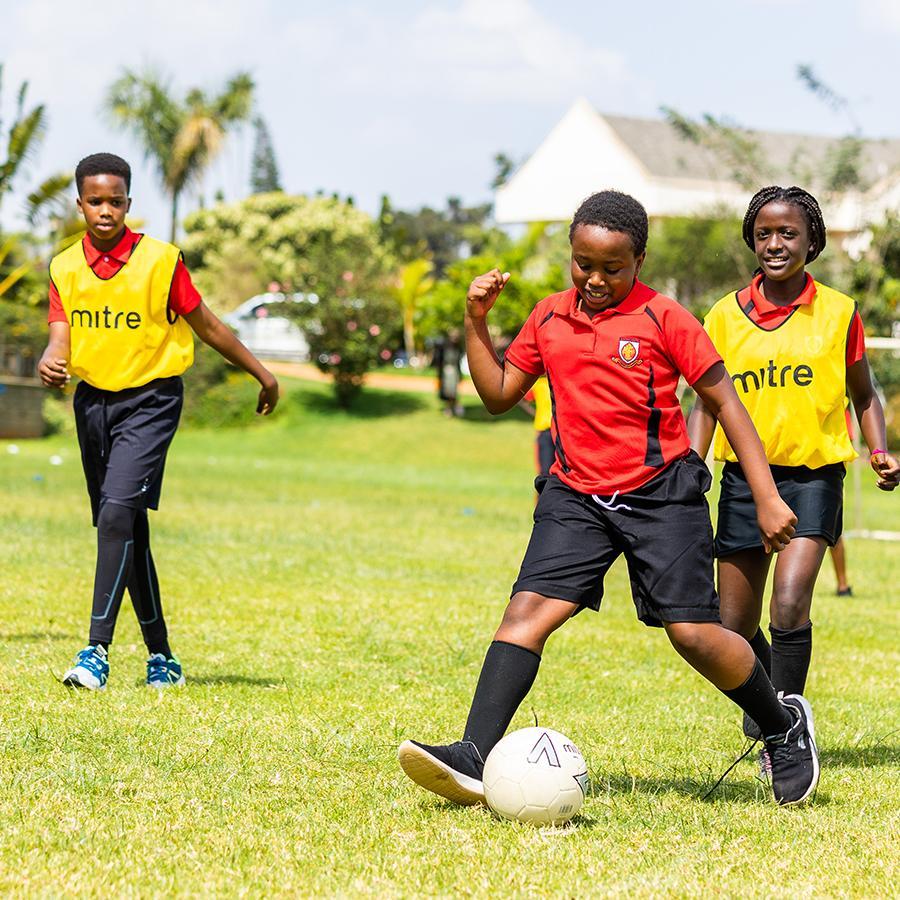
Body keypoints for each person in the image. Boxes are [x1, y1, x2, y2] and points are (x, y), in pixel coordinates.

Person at [398, 190, 820, 807]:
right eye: (583, 264)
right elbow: (496, 395)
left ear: (639, 261)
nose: (594, 279)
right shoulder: (547, 317)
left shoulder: (665, 318)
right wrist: (475, 322)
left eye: (611, 268)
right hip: (575, 495)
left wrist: (765, 496)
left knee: (694, 635)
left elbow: (725, 401)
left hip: (661, 496)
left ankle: (782, 727)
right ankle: (472, 755)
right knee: (526, 614)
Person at [38, 152, 279, 691]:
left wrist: (263, 374)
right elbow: (60, 332)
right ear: (80, 203)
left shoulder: (161, 262)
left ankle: (95, 650)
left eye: (116, 201)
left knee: (118, 513)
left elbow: (210, 326)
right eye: (95, 201)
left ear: (129, 204)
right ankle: (162, 657)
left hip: (151, 401)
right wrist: (50, 360)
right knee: (124, 526)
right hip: (93, 404)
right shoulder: (62, 266)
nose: (106, 210)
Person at [688, 186, 899, 738]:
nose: (775, 244)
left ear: (812, 241)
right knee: (731, 626)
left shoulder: (839, 312)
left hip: (815, 477)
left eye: (788, 233)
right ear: (751, 241)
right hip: (744, 482)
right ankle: (770, 708)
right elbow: (707, 400)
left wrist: (878, 450)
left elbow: (864, 391)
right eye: (763, 234)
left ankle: (786, 735)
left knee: (789, 600)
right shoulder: (723, 316)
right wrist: (694, 463)